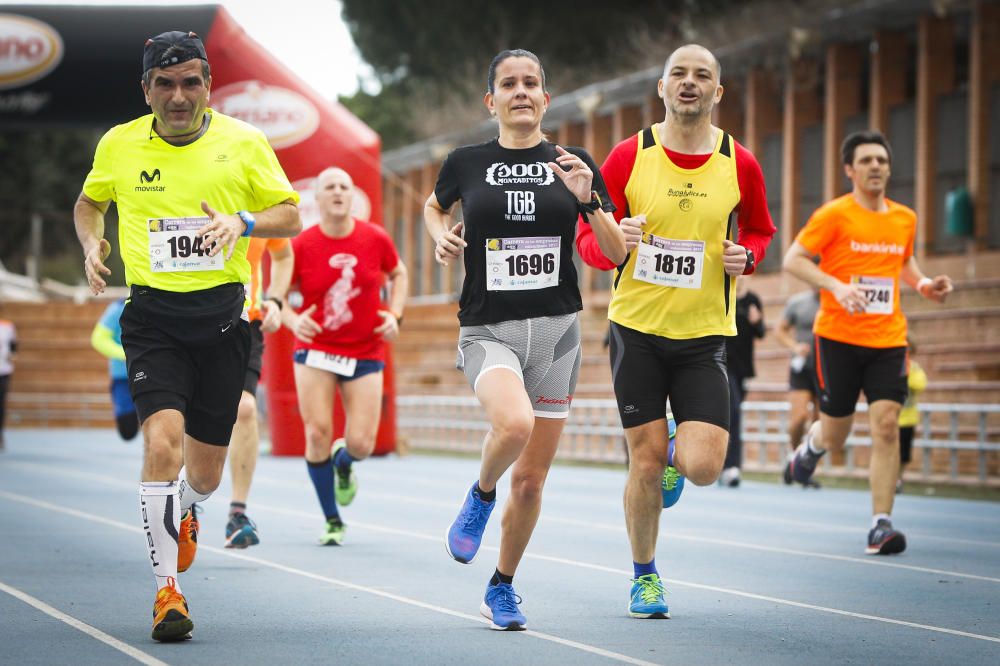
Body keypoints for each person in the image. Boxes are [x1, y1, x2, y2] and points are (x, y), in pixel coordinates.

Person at [74, 30, 301, 641]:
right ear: (146, 89)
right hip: (151, 319)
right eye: (165, 84)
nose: (179, 96)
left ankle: (188, 506)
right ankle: (166, 591)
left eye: (191, 82)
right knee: (162, 440)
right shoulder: (119, 145)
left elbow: (291, 212)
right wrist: (91, 240)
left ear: (208, 86)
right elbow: (89, 202)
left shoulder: (244, 142)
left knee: (204, 475)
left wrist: (244, 220)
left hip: (224, 320)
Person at [424, 49, 626, 631]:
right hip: (489, 329)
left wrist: (589, 198)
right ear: (491, 101)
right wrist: (442, 237)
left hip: (559, 333)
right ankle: (481, 494)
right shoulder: (466, 161)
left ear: (545, 98)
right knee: (513, 426)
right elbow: (435, 210)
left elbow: (615, 254)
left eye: (530, 83)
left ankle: (502, 586)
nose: (520, 91)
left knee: (533, 481)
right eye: (508, 84)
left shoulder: (573, 161)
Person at [576, 43, 775, 618]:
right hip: (636, 330)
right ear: (661, 88)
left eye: (702, 76)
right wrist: (617, 243)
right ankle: (645, 576)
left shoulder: (740, 161)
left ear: (718, 93)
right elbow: (588, 238)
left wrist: (749, 256)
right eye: (678, 75)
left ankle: (670, 449)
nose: (689, 83)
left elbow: (761, 229)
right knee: (643, 463)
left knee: (705, 467)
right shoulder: (628, 156)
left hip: (705, 337)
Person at [783, 130, 952, 555]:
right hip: (838, 338)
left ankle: (881, 524)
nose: (876, 166)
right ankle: (813, 446)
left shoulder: (904, 219)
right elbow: (793, 260)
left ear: (889, 168)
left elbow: (904, 262)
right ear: (850, 169)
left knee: (887, 426)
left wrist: (926, 284)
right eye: (867, 160)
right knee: (837, 435)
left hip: (888, 339)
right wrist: (836, 287)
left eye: (882, 160)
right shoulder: (833, 215)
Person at [268, 167, 407, 547]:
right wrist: (294, 322)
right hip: (316, 350)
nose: (338, 193)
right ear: (317, 197)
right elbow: (277, 298)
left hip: (365, 348)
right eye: (329, 187)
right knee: (317, 433)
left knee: (362, 443)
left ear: (352, 195)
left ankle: (344, 463)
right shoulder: (301, 244)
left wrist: (394, 315)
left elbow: (400, 274)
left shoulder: (374, 238)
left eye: (344, 186)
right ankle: (332, 518)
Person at [224, 237, 293, 549]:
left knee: (246, 408)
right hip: (190, 316)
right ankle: (186, 504)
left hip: (245, 321)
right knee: (189, 411)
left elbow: (283, 254)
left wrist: (276, 301)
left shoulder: (257, 198)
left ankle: (237, 514)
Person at [774, 286, 821, 486]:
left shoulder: (838, 301)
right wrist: (795, 347)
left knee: (820, 424)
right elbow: (779, 330)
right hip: (802, 368)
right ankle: (793, 456)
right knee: (799, 418)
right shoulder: (799, 302)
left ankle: (804, 465)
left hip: (827, 369)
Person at [720, 279, 765, 487]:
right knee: (734, 412)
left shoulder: (753, 299)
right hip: (722, 363)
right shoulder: (721, 292)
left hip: (742, 368)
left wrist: (757, 321)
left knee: (729, 416)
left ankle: (722, 464)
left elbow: (761, 333)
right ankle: (732, 467)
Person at [90, 298, 139, 441]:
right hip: (123, 376)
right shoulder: (118, 308)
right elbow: (98, 339)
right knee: (128, 429)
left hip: (155, 374)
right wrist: (127, 355)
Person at [897, 339, 927, 494]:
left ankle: (899, 479)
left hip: (908, 420)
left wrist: (907, 373)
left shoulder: (914, 368)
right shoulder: (891, 366)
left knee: (903, 454)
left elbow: (920, 384)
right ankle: (889, 479)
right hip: (891, 420)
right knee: (888, 452)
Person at [0, 316, 15, 451]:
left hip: (3, 370)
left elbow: (14, 346)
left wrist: (11, 355)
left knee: (1, 405)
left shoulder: (7, 326)